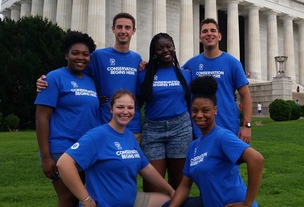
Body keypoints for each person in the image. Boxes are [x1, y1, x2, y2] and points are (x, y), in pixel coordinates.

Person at [57, 90, 175, 207]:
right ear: (111, 109)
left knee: (170, 201)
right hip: (104, 204)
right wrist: (86, 199)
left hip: (131, 201)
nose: (125, 112)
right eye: (120, 107)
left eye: (130, 108)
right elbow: (64, 163)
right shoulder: (98, 136)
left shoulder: (129, 136)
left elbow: (146, 168)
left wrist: (170, 190)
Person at [37, 13, 143, 142]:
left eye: (127, 27)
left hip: (132, 126)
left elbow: (142, 88)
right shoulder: (98, 56)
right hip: (105, 123)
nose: (123, 31)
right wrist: (46, 81)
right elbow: (74, 72)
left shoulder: (137, 59)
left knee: (131, 161)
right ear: (113, 29)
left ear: (133, 31)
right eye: (119, 27)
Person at [163, 76, 264, 207]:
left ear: (215, 110)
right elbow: (184, 186)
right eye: (195, 110)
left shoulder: (222, 137)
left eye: (205, 110)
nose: (199, 115)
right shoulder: (193, 147)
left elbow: (257, 160)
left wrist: (247, 204)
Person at [35, 31, 99, 206]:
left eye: (85, 54)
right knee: (68, 198)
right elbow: (42, 118)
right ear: (66, 54)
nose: (81, 58)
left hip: (87, 150)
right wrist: (46, 157)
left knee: (87, 197)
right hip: (62, 149)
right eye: (75, 53)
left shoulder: (90, 81)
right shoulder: (53, 78)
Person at [137, 33, 192, 191]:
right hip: (153, 130)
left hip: (180, 129)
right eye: (159, 48)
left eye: (168, 46)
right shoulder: (144, 74)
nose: (165, 50)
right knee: (153, 185)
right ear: (154, 52)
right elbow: (137, 102)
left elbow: (189, 102)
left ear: (174, 48)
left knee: (179, 183)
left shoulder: (185, 74)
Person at [182, 18, 252, 143]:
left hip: (228, 128)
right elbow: (173, 78)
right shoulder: (191, 64)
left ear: (219, 36)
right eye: (205, 31)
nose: (209, 34)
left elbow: (245, 95)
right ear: (200, 37)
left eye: (213, 31)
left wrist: (247, 126)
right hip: (199, 131)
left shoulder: (232, 63)